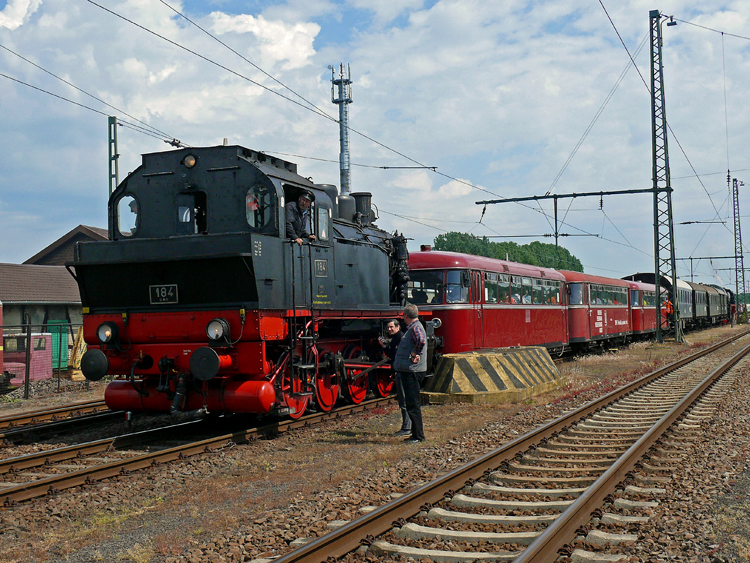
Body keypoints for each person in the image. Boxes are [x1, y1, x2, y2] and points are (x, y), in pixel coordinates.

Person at [393, 303, 427, 443]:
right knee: (412, 403)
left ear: (405, 316)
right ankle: (415, 434)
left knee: (413, 404)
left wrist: (415, 353)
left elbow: (421, 340)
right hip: (411, 370)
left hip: (412, 371)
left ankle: (418, 436)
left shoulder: (415, 328)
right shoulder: (414, 327)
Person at [378, 319, 409, 436]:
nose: (389, 329)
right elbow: (392, 354)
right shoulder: (396, 338)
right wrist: (384, 346)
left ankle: (407, 427)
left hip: (402, 370)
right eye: (388, 328)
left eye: (391, 327)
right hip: (399, 370)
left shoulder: (401, 338)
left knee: (404, 400)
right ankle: (407, 426)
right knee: (403, 400)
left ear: (398, 327)